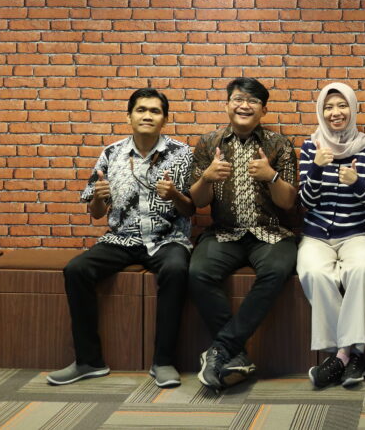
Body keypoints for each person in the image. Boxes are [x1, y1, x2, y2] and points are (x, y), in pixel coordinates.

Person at [48, 88, 193, 388]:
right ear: (129, 116)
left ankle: (163, 361)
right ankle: (89, 361)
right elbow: (96, 214)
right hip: (122, 239)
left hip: (167, 239)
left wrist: (175, 195)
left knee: (177, 269)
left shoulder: (182, 153)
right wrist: (99, 198)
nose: (147, 116)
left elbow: (192, 208)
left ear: (165, 119)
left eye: (155, 111)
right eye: (141, 110)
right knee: (76, 270)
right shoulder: (111, 153)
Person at [187, 78, 298, 391]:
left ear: (264, 110)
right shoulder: (208, 143)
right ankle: (235, 354)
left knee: (277, 270)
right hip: (224, 232)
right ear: (227, 105)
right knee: (198, 272)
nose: (244, 105)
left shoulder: (279, 144)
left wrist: (271, 176)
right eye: (238, 99)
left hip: (271, 233)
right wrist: (207, 178)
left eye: (253, 101)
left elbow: (288, 203)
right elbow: (198, 202)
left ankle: (222, 347)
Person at [297, 82, 365, 389]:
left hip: (358, 234)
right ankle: (352, 355)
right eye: (329, 107)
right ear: (321, 112)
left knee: (359, 271)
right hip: (316, 235)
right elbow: (305, 202)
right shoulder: (311, 146)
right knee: (314, 273)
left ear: (353, 108)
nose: (336, 112)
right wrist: (316, 169)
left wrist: (357, 183)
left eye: (342, 105)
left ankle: (341, 356)